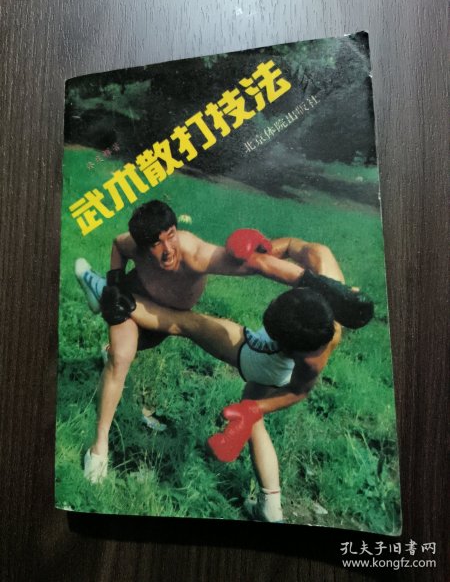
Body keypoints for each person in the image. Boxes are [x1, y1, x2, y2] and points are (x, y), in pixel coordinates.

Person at [76, 200, 372, 484]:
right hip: (138, 299)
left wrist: (256, 410)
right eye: (156, 243)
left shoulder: (313, 352)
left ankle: (99, 290)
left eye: (171, 236)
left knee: (184, 328)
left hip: (259, 357)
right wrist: (266, 246)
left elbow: (299, 390)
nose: (167, 250)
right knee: (124, 354)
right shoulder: (321, 261)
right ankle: (99, 447)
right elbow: (282, 251)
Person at [128, 274, 369, 522]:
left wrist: (253, 408)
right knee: (254, 422)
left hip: (264, 361)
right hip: (280, 363)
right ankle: (270, 507)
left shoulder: (309, 360)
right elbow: (301, 258)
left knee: (186, 322)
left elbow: (298, 392)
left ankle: (118, 298)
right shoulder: (327, 303)